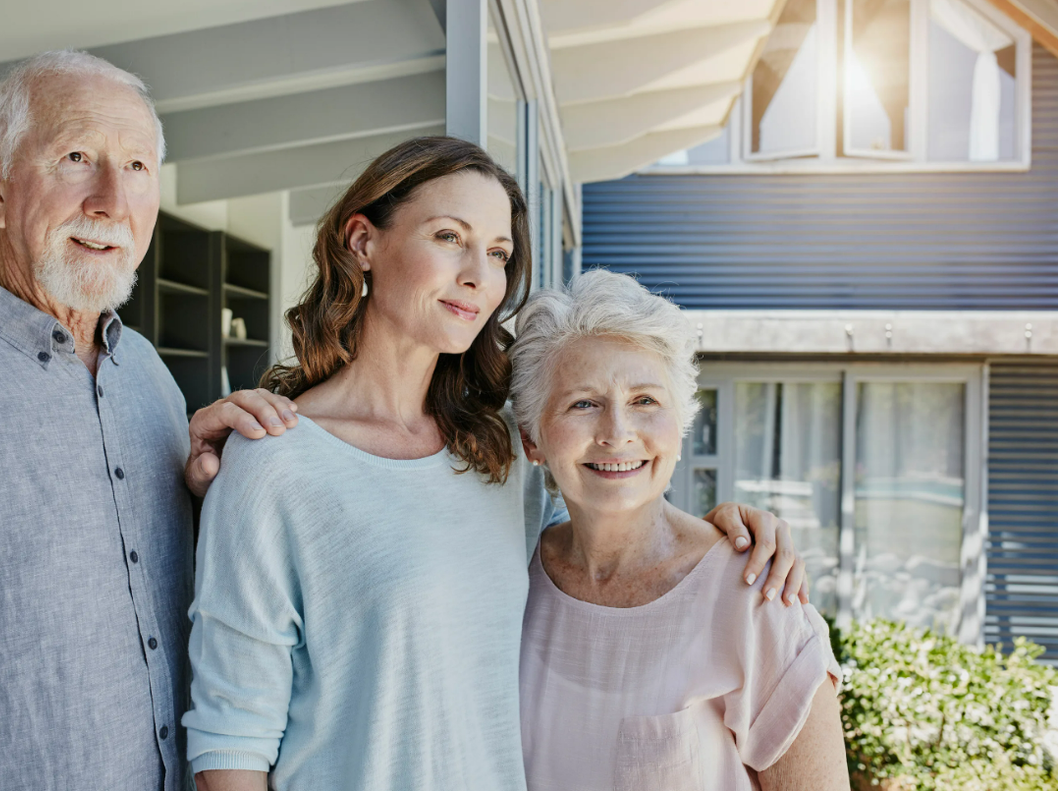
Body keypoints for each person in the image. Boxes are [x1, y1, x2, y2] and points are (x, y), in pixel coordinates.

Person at [183, 136, 809, 791]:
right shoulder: (272, 462)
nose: (480, 275)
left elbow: (613, 540)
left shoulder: (501, 453)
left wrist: (728, 531)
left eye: (499, 252)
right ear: (363, 242)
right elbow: (232, 736)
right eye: (450, 237)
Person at [0, 50, 289, 791]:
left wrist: (210, 495)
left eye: (139, 167)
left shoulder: (150, 377)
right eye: (76, 157)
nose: (111, 201)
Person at [511, 270, 848, 791]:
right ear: (532, 439)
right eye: (583, 403)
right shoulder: (510, 583)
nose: (617, 433)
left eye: (645, 401)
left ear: (680, 422)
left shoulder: (757, 594)